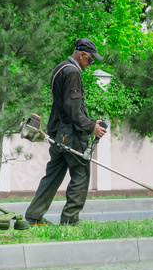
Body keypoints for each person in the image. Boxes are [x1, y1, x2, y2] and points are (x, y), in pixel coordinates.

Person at [25, 38, 109, 226]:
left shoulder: (60, 68)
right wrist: (92, 127)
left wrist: (90, 120)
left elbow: (68, 107)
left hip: (57, 130)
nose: (90, 63)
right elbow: (72, 110)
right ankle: (70, 221)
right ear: (82, 55)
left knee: (53, 175)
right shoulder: (73, 73)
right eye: (91, 59)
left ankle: (33, 217)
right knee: (81, 175)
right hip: (71, 135)